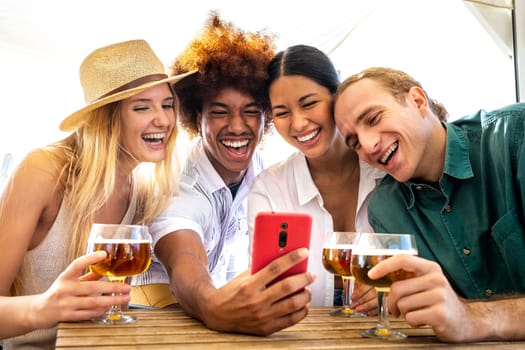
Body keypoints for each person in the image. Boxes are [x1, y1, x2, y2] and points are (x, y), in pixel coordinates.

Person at [0, 39, 192, 349]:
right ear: (106, 116)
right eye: (142, 107)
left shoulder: (139, 191)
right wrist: (42, 308)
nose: (164, 120)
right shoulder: (44, 170)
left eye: (167, 104)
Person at [132, 13, 315, 335]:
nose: (237, 126)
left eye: (251, 111)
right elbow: (184, 258)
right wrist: (210, 304)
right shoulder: (178, 181)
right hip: (151, 310)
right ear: (195, 116)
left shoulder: (263, 173)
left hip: (205, 308)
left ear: (266, 117)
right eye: (219, 112)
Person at [333, 66, 525, 342]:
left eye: (373, 118)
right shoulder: (385, 208)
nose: (368, 145)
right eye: (354, 143)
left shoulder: (516, 137)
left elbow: (462, 315)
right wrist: (401, 296)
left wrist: (474, 317)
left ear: (418, 101)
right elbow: (433, 307)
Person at [247, 45, 383, 313]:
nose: (298, 124)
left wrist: (394, 290)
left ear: (337, 95)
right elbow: (264, 287)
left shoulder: (386, 172)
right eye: (282, 113)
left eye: (309, 104)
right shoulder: (269, 189)